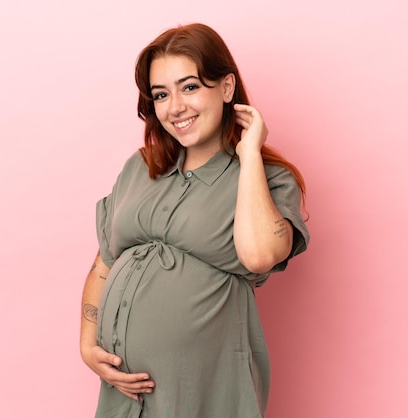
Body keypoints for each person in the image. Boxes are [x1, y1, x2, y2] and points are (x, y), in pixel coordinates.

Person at [80, 22, 309, 418]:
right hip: (124, 394)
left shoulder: (267, 178)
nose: (175, 107)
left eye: (190, 87)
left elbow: (259, 256)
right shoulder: (141, 166)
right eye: (161, 95)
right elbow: (105, 260)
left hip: (204, 387)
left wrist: (250, 152)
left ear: (226, 87)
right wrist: (88, 345)